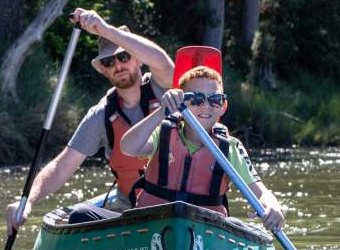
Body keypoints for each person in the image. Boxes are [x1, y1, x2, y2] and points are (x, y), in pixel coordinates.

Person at [6, 7, 174, 233]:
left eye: (124, 56)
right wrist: (27, 200)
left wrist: (105, 29)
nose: (118, 65)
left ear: (138, 60)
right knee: (79, 216)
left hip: (176, 200)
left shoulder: (163, 87)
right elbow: (61, 166)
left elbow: (163, 62)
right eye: (108, 62)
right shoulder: (101, 115)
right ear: (103, 71)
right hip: (130, 207)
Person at [121, 66, 284, 232]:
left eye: (214, 99)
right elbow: (128, 148)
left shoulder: (230, 147)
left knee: (240, 226)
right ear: (181, 103)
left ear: (223, 106)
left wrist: (273, 206)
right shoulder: (163, 133)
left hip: (205, 231)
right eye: (197, 99)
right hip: (151, 224)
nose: (206, 105)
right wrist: (162, 111)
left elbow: (259, 192)